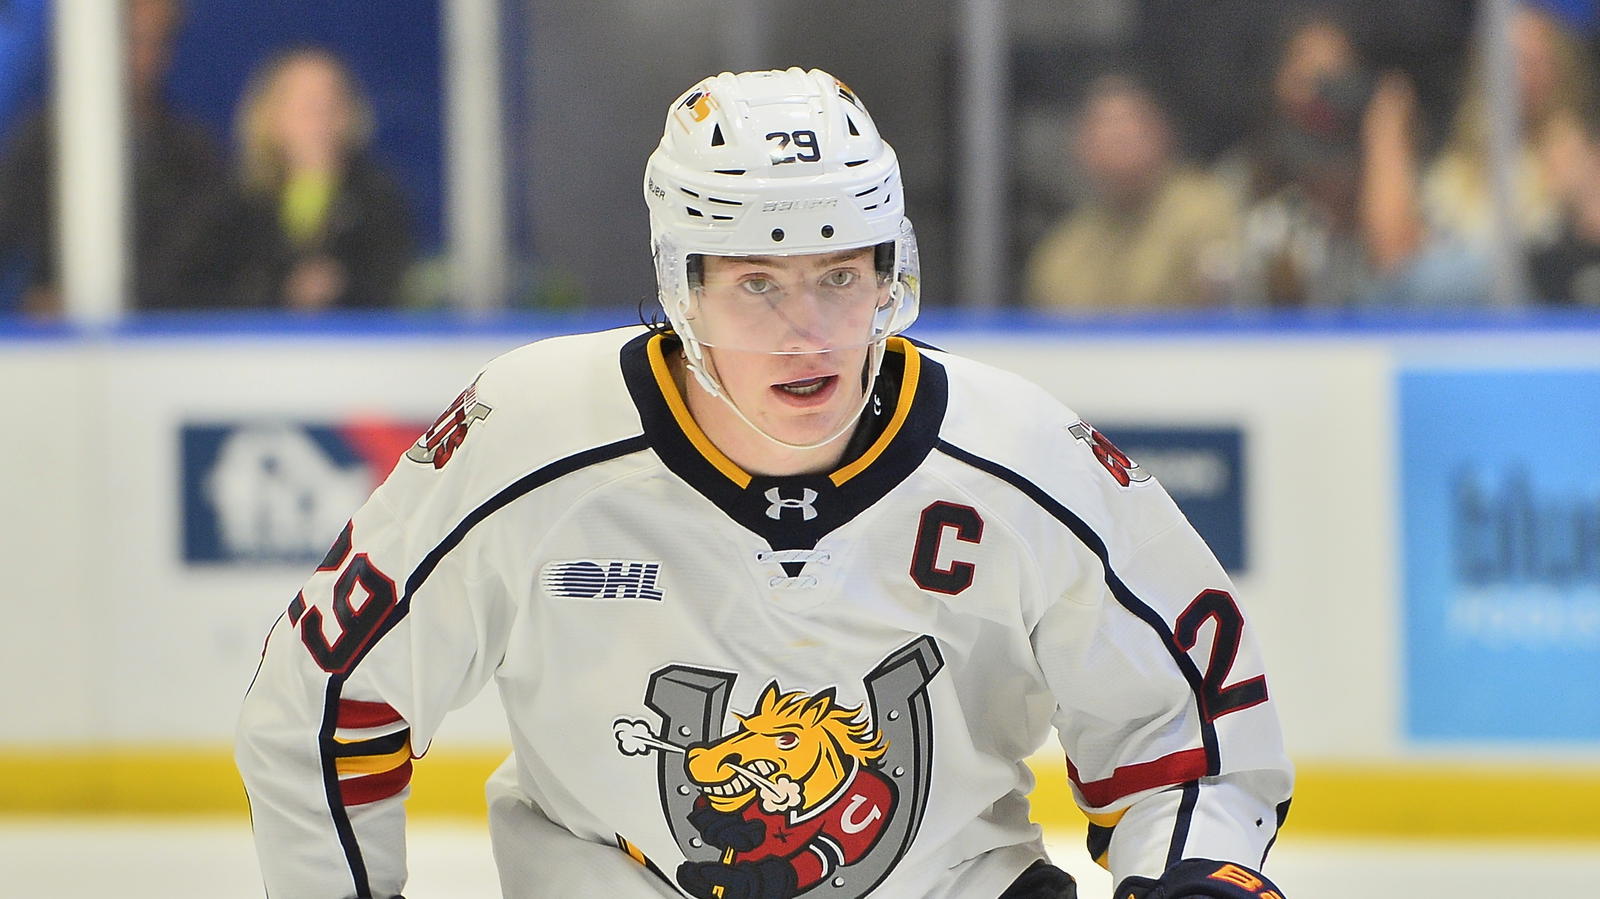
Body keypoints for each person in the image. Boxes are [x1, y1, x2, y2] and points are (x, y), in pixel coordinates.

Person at [236, 68, 1293, 899]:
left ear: (890, 273)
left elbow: (1183, 728)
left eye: (840, 276)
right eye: (757, 284)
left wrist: (1193, 877)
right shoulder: (530, 437)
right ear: (681, 288)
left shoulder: (1019, 452)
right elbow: (321, 701)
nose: (810, 332)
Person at [0, 0, 225, 314]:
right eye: (129, 38)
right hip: (51, 345)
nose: (140, 56)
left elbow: (203, 266)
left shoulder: (195, 155)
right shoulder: (38, 143)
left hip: (164, 342)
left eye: (155, 42)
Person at [191, 47, 413, 310]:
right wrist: (277, 290)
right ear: (271, 115)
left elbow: (394, 286)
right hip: (251, 346)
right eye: (306, 103)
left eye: (332, 101)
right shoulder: (232, 199)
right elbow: (189, 286)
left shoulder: (377, 198)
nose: (320, 117)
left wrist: (344, 287)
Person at [1024, 73, 1239, 311]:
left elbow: (1222, 314)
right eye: (1103, 128)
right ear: (1080, 147)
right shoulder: (1062, 253)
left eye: (1129, 126)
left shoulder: (1204, 210)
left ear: (1161, 133)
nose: (1117, 140)